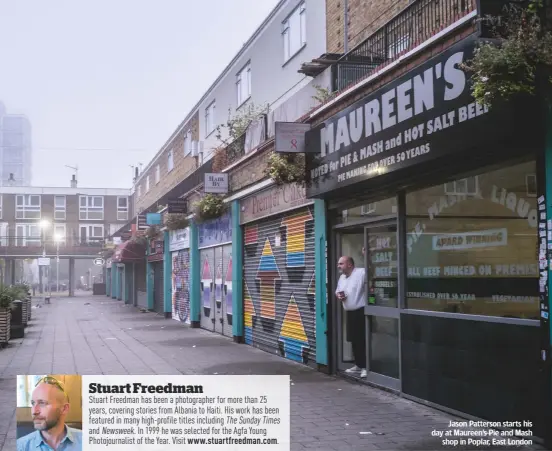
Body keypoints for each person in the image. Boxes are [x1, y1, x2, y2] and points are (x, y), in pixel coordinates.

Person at [17, 376, 82, 451]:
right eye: (33, 403)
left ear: (64, 409)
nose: (34, 411)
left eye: (42, 403)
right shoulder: (20, 446)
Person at [336, 256, 367, 378]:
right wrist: (339, 296)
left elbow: (372, 270)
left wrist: (367, 255)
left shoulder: (360, 273)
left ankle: (365, 366)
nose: (338, 266)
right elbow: (338, 290)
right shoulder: (342, 277)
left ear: (349, 264)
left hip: (361, 311)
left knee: (362, 340)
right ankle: (358, 365)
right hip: (350, 312)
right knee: (353, 340)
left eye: (341, 264)